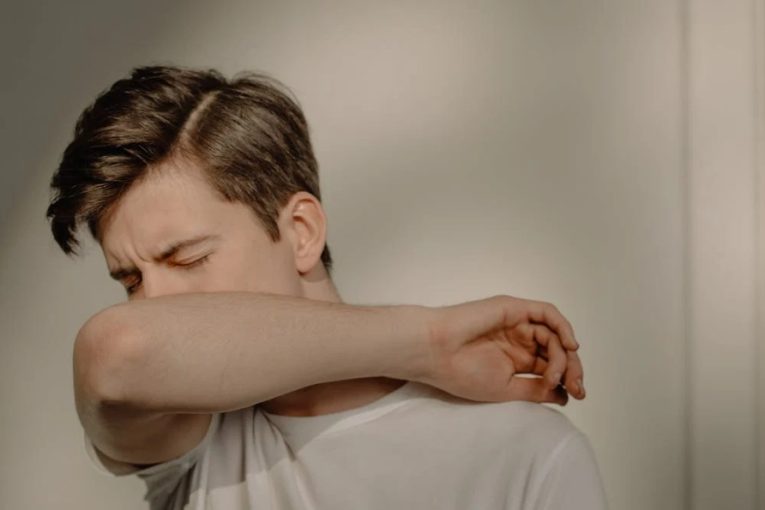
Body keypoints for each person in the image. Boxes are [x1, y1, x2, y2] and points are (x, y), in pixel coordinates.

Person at [46, 65, 608, 509]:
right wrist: (429, 341)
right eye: (131, 280)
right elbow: (116, 352)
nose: (151, 305)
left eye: (188, 258)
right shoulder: (190, 436)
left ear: (302, 232)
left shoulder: (523, 451)